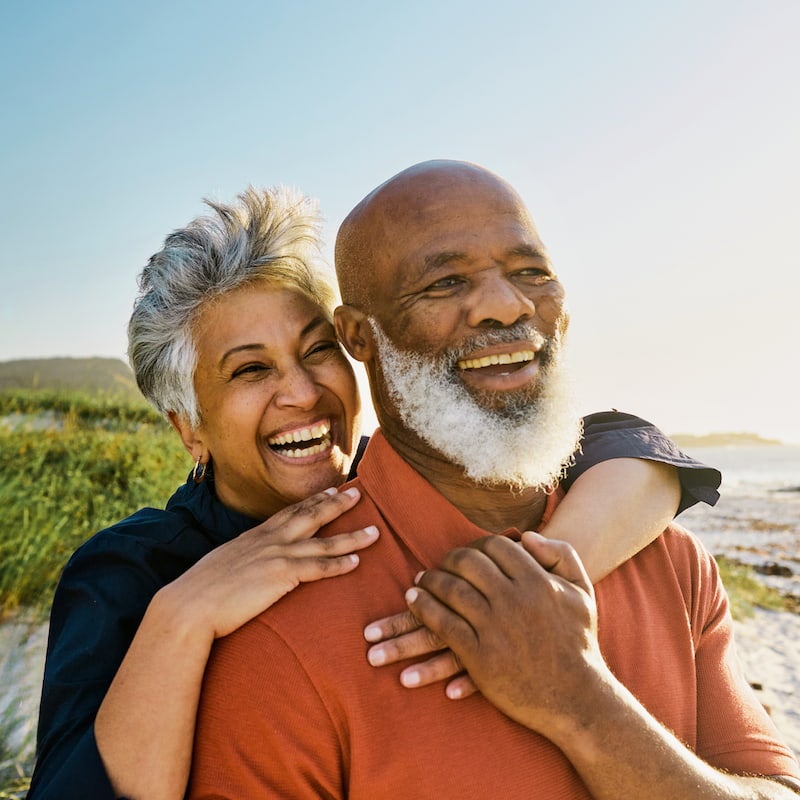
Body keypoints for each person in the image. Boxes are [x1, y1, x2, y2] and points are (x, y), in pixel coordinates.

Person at [29, 186, 719, 800]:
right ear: (189, 428)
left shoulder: (399, 479)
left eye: (316, 350)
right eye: (249, 371)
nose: (302, 393)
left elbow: (624, 443)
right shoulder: (133, 572)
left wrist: (537, 578)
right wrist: (183, 616)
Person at [187, 162, 800, 800]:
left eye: (532, 272)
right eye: (446, 281)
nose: (509, 305)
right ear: (358, 336)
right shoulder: (277, 639)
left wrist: (580, 703)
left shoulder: (672, 563)